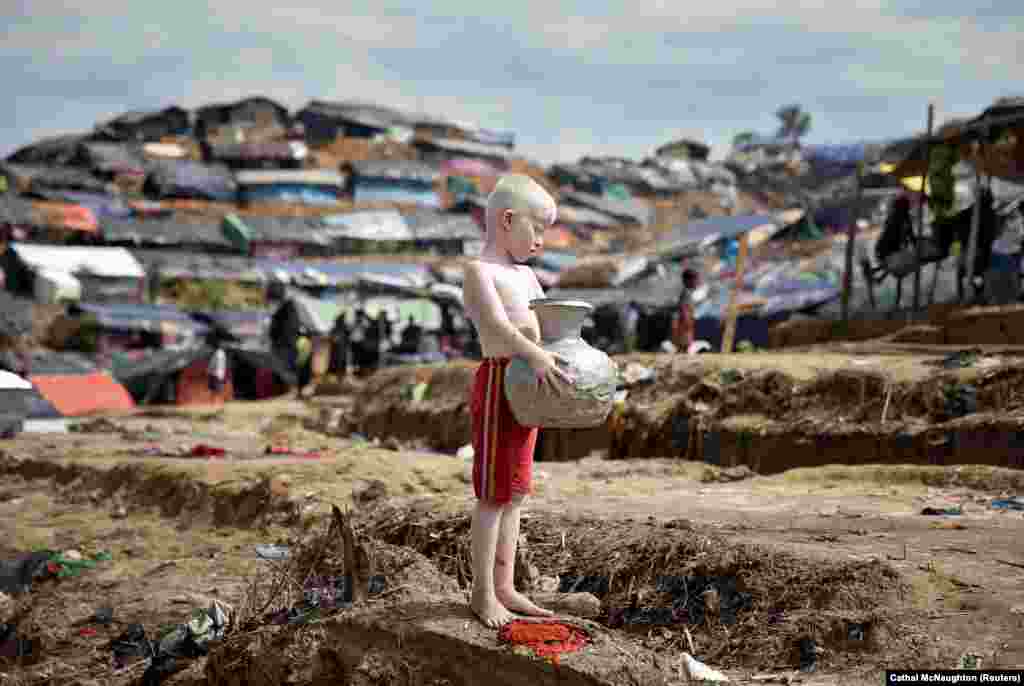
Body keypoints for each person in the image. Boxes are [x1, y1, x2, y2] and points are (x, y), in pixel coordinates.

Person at [462, 174, 571, 628]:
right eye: (537, 228)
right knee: (492, 494)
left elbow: (544, 322)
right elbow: (499, 326)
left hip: (529, 384)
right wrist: (536, 352)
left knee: (517, 491)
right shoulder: (478, 271)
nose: (541, 242)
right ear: (507, 220)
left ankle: (506, 586)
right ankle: (482, 593)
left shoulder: (527, 276)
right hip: (500, 382)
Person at [672, 268, 699, 352]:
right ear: (687, 281)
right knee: (684, 343)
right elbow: (683, 307)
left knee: (686, 343)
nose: (697, 283)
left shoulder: (688, 293)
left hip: (686, 321)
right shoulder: (686, 293)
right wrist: (687, 320)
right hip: (684, 322)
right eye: (695, 280)